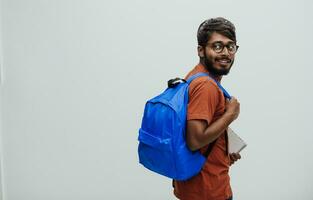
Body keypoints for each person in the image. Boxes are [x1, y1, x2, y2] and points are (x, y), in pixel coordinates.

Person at [173, 17, 241, 200]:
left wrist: (222, 153)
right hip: (209, 191)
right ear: (201, 50)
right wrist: (230, 115)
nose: (225, 52)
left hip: (195, 186)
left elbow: (195, 137)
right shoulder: (206, 86)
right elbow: (195, 140)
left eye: (230, 46)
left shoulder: (194, 77)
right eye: (217, 46)